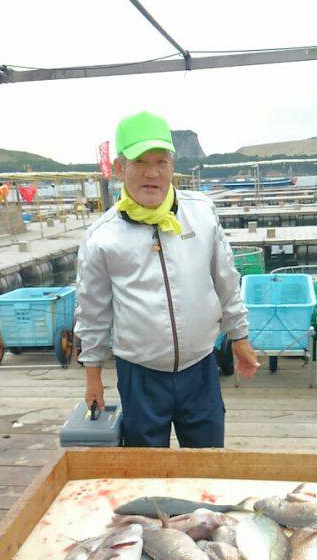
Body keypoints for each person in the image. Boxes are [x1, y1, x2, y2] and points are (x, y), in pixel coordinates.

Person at [74, 111, 259, 448]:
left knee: (207, 462)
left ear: (173, 165)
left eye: (161, 161)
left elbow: (226, 280)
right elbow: (92, 311)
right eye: (140, 161)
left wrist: (239, 336)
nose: (152, 173)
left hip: (200, 366)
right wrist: (93, 376)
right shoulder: (101, 236)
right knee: (147, 472)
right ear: (119, 168)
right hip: (139, 374)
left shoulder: (201, 212)